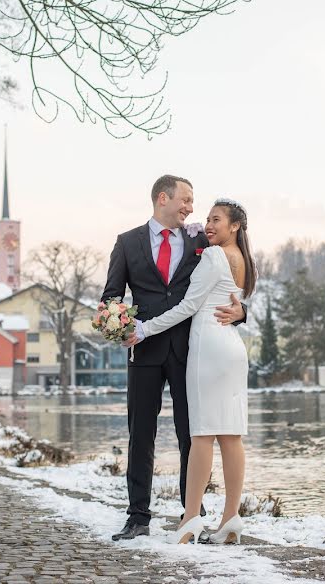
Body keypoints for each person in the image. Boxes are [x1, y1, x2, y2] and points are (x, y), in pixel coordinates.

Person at [101, 176, 247, 541]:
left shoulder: (203, 240)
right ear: (162, 198)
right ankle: (138, 517)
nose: (191, 208)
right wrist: (116, 324)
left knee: (193, 433)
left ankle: (192, 512)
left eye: (194, 202)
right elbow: (111, 296)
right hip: (144, 350)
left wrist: (241, 313)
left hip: (191, 350)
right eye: (185, 200)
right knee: (141, 436)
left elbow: (227, 288)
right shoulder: (127, 243)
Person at [133, 199, 256, 544]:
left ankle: (190, 520)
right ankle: (231, 517)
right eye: (207, 219)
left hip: (209, 347)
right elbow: (237, 305)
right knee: (231, 435)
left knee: (202, 434)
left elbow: (188, 305)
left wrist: (145, 329)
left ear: (235, 226)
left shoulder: (216, 256)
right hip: (232, 347)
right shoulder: (244, 260)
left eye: (216, 220)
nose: (208, 225)